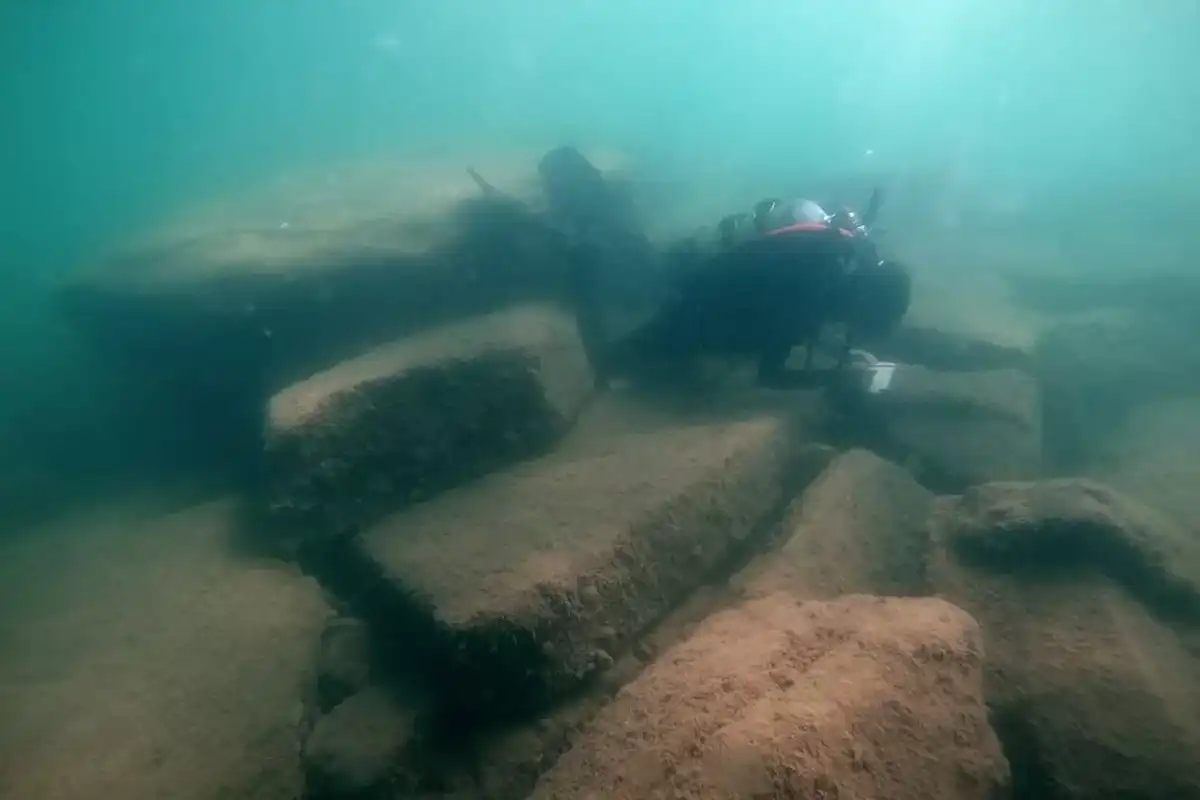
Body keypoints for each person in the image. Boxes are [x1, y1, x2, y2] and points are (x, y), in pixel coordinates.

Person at [604, 191, 911, 391]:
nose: (849, 326)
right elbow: (770, 374)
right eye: (860, 320)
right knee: (632, 353)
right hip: (697, 296)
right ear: (862, 301)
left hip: (719, 276)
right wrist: (839, 379)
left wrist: (845, 354)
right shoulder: (809, 294)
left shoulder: (841, 255)